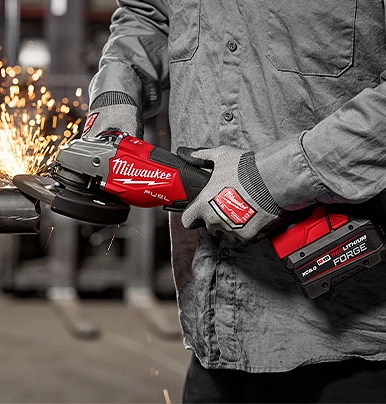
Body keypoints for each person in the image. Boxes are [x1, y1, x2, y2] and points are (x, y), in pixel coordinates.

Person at [83, 1, 386, 402]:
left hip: (354, 342)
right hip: (214, 325)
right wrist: (117, 90)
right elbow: (148, 14)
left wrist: (272, 179)